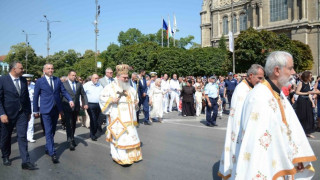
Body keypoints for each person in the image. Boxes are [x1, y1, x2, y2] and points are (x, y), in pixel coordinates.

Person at [231, 51, 316, 179]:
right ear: (277, 70)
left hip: (281, 161)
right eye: (290, 68)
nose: (293, 72)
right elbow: (256, 144)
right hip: (267, 167)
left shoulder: (277, 93)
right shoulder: (259, 97)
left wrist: (294, 155)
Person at [218, 64, 265, 179]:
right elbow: (240, 116)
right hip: (240, 132)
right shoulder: (242, 90)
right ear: (251, 75)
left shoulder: (251, 87)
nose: (261, 81)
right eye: (259, 78)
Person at [99, 64, 142, 166]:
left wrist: (136, 103)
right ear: (118, 77)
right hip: (117, 118)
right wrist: (111, 100)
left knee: (130, 137)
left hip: (130, 118)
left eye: (127, 77)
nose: (126, 79)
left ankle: (132, 156)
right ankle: (119, 157)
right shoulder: (110, 88)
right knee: (119, 138)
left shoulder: (130, 88)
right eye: (124, 77)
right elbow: (101, 98)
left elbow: (135, 100)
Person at [33, 63, 74, 164]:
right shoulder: (39, 81)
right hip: (45, 109)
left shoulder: (57, 80)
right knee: (48, 131)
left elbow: (63, 91)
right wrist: (35, 110)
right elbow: (35, 96)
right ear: (44, 70)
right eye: (49, 68)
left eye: (52, 68)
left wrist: (70, 100)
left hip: (56, 109)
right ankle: (53, 153)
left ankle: (48, 147)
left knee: (53, 131)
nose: (51, 70)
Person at [0, 62, 37, 170]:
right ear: (14, 69)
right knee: (6, 137)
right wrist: (2, 113)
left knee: (22, 136)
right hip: (7, 114)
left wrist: (29, 112)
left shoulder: (23, 80)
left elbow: (25, 98)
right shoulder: (3, 80)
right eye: (21, 68)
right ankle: (5, 156)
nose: (23, 70)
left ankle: (25, 161)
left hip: (22, 114)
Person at [62, 70, 88, 151]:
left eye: (75, 75)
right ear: (68, 75)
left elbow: (83, 94)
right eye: (72, 75)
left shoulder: (78, 84)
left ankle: (72, 138)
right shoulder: (63, 84)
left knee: (73, 124)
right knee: (69, 124)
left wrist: (85, 103)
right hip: (66, 107)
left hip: (76, 107)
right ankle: (70, 141)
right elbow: (60, 95)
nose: (74, 77)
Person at [295, 71, 316, 138]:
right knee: (302, 116)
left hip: (307, 101)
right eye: (310, 75)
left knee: (309, 116)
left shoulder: (309, 83)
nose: (311, 77)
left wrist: (312, 103)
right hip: (302, 101)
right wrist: (306, 93)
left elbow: (309, 94)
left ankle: (308, 132)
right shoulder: (301, 83)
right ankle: (300, 131)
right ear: (307, 76)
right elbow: (297, 92)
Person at [83, 74, 103, 141]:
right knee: (93, 119)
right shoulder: (86, 85)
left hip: (99, 104)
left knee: (97, 120)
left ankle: (95, 130)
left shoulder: (100, 85)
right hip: (90, 105)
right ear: (91, 78)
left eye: (97, 78)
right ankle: (92, 134)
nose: (96, 79)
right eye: (95, 78)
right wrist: (83, 104)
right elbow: (82, 94)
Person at [25, 76, 36, 143]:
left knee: (31, 121)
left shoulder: (33, 86)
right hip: (23, 105)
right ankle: (23, 136)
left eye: (29, 80)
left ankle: (30, 136)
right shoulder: (21, 86)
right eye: (27, 81)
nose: (28, 82)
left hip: (31, 104)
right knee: (23, 122)